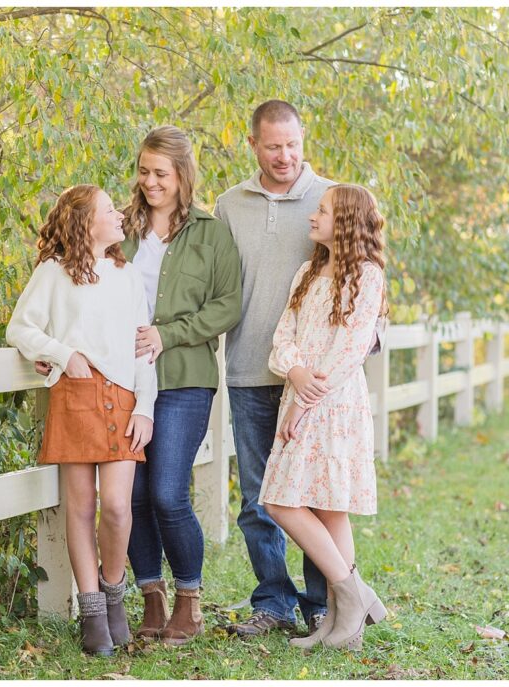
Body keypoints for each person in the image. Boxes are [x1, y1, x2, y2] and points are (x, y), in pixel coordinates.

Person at [5, 185, 157, 657]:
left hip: (123, 398)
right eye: (110, 209)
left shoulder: (127, 275)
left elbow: (142, 351)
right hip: (74, 394)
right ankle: (92, 616)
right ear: (86, 222)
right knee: (80, 508)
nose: (119, 214)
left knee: (115, 505)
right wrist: (61, 352)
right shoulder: (53, 273)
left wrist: (147, 407)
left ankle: (114, 597)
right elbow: (20, 327)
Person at [214, 100, 335, 637]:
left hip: (308, 381)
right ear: (253, 145)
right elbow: (219, 289)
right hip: (246, 370)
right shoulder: (229, 205)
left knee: (310, 495)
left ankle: (322, 605)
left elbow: (361, 278)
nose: (284, 156)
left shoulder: (330, 199)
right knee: (258, 497)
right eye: (272, 146)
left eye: (292, 144)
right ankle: (274, 603)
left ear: (303, 139)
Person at [120, 125, 243, 645]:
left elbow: (227, 305)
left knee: (169, 491)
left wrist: (168, 334)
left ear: (183, 175)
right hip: (124, 380)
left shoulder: (211, 234)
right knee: (135, 494)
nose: (151, 182)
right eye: (145, 172)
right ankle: (152, 598)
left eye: (161, 174)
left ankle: (189, 600)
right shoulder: (121, 227)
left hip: (185, 381)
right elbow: (84, 281)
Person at [262, 184, 390, 651]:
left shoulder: (367, 275)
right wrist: (294, 371)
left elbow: (351, 348)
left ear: (347, 222)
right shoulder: (306, 274)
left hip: (333, 404)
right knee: (300, 501)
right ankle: (349, 610)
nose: (312, 217)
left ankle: (346, 608)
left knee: (294, 502)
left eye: (322, 211)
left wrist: (305, 396)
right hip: (301, 394)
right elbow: (283, 337)